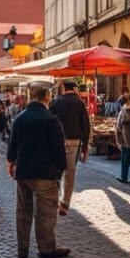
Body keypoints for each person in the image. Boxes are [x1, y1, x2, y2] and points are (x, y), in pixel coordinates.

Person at [7, 85, 69, 258]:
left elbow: (12, 147)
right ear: (46, 98)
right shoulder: (51, 119)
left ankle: (22, 249)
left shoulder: (20, 118)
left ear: (30, 97)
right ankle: (47, 248)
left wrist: (11, 164)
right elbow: (58, 150)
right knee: (45, 213)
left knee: (23, 213)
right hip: (44, 172)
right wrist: (59, 171)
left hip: (24, 172)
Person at [50, 81, 90, 216]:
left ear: (64, 88)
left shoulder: (56, 102)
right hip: (74, 141)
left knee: (56, 172)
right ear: (74, 88)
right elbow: (86, 126)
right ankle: (65, 203)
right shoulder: (79, 103)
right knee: (70, 173)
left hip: (57, 141)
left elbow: (50, 122)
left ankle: (54, 200)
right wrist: (85, 148)